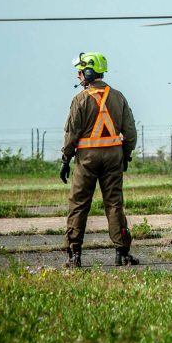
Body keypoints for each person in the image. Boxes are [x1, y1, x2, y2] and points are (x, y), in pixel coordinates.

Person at [59, 52, 139, 267]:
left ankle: (74, 255)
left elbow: (71, 134)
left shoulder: (80, 100)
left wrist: (65, 159)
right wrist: (126, 155)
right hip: (114, 157)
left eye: (79, 72)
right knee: (114, 204)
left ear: (88, 72)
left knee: (79, 204)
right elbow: (130, 133)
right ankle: (122, 252)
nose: (78, 76)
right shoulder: (118, 96)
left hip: (86, 159)